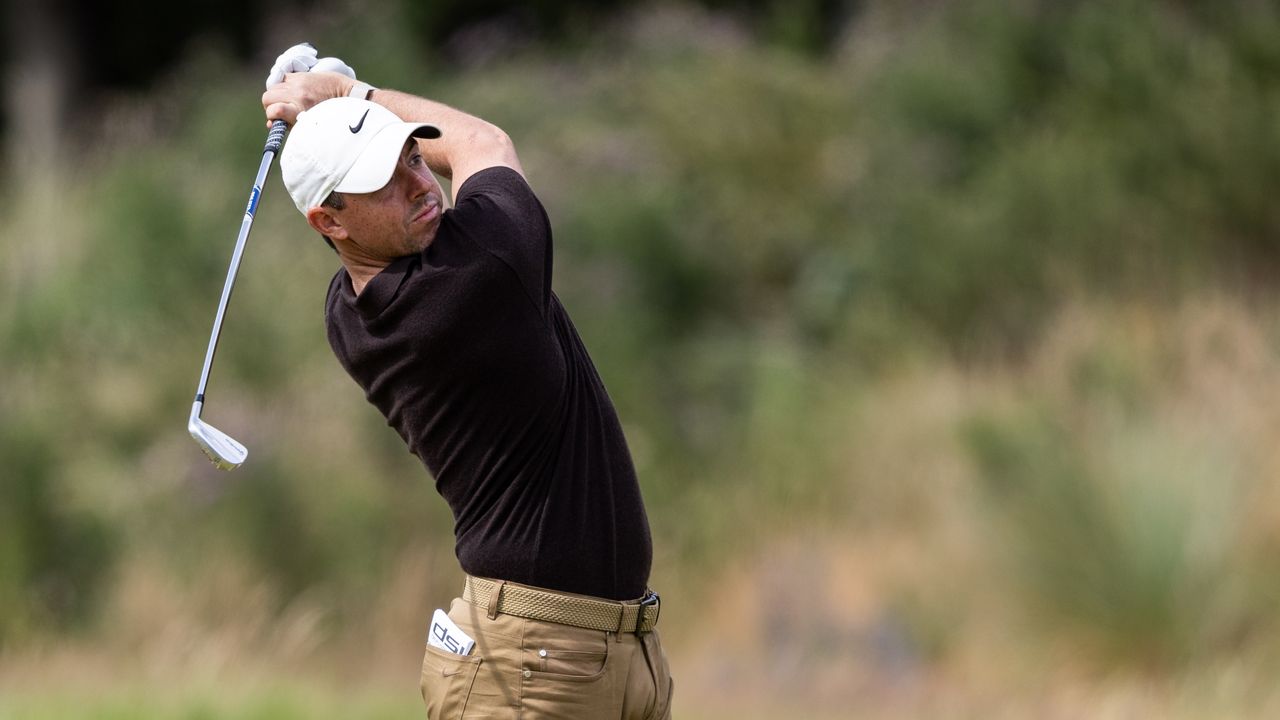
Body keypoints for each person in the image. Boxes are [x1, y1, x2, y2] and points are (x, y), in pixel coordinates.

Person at [261, 45, 674, 719]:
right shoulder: (477, 275)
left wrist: (330, 120)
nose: (422, 186)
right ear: (329, 221)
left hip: (591, 655)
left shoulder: (352, 306)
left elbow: (444, 170)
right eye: (385, 183)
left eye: (414, 159)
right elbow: (482, 141)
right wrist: (348, 89)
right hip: (534, 669)